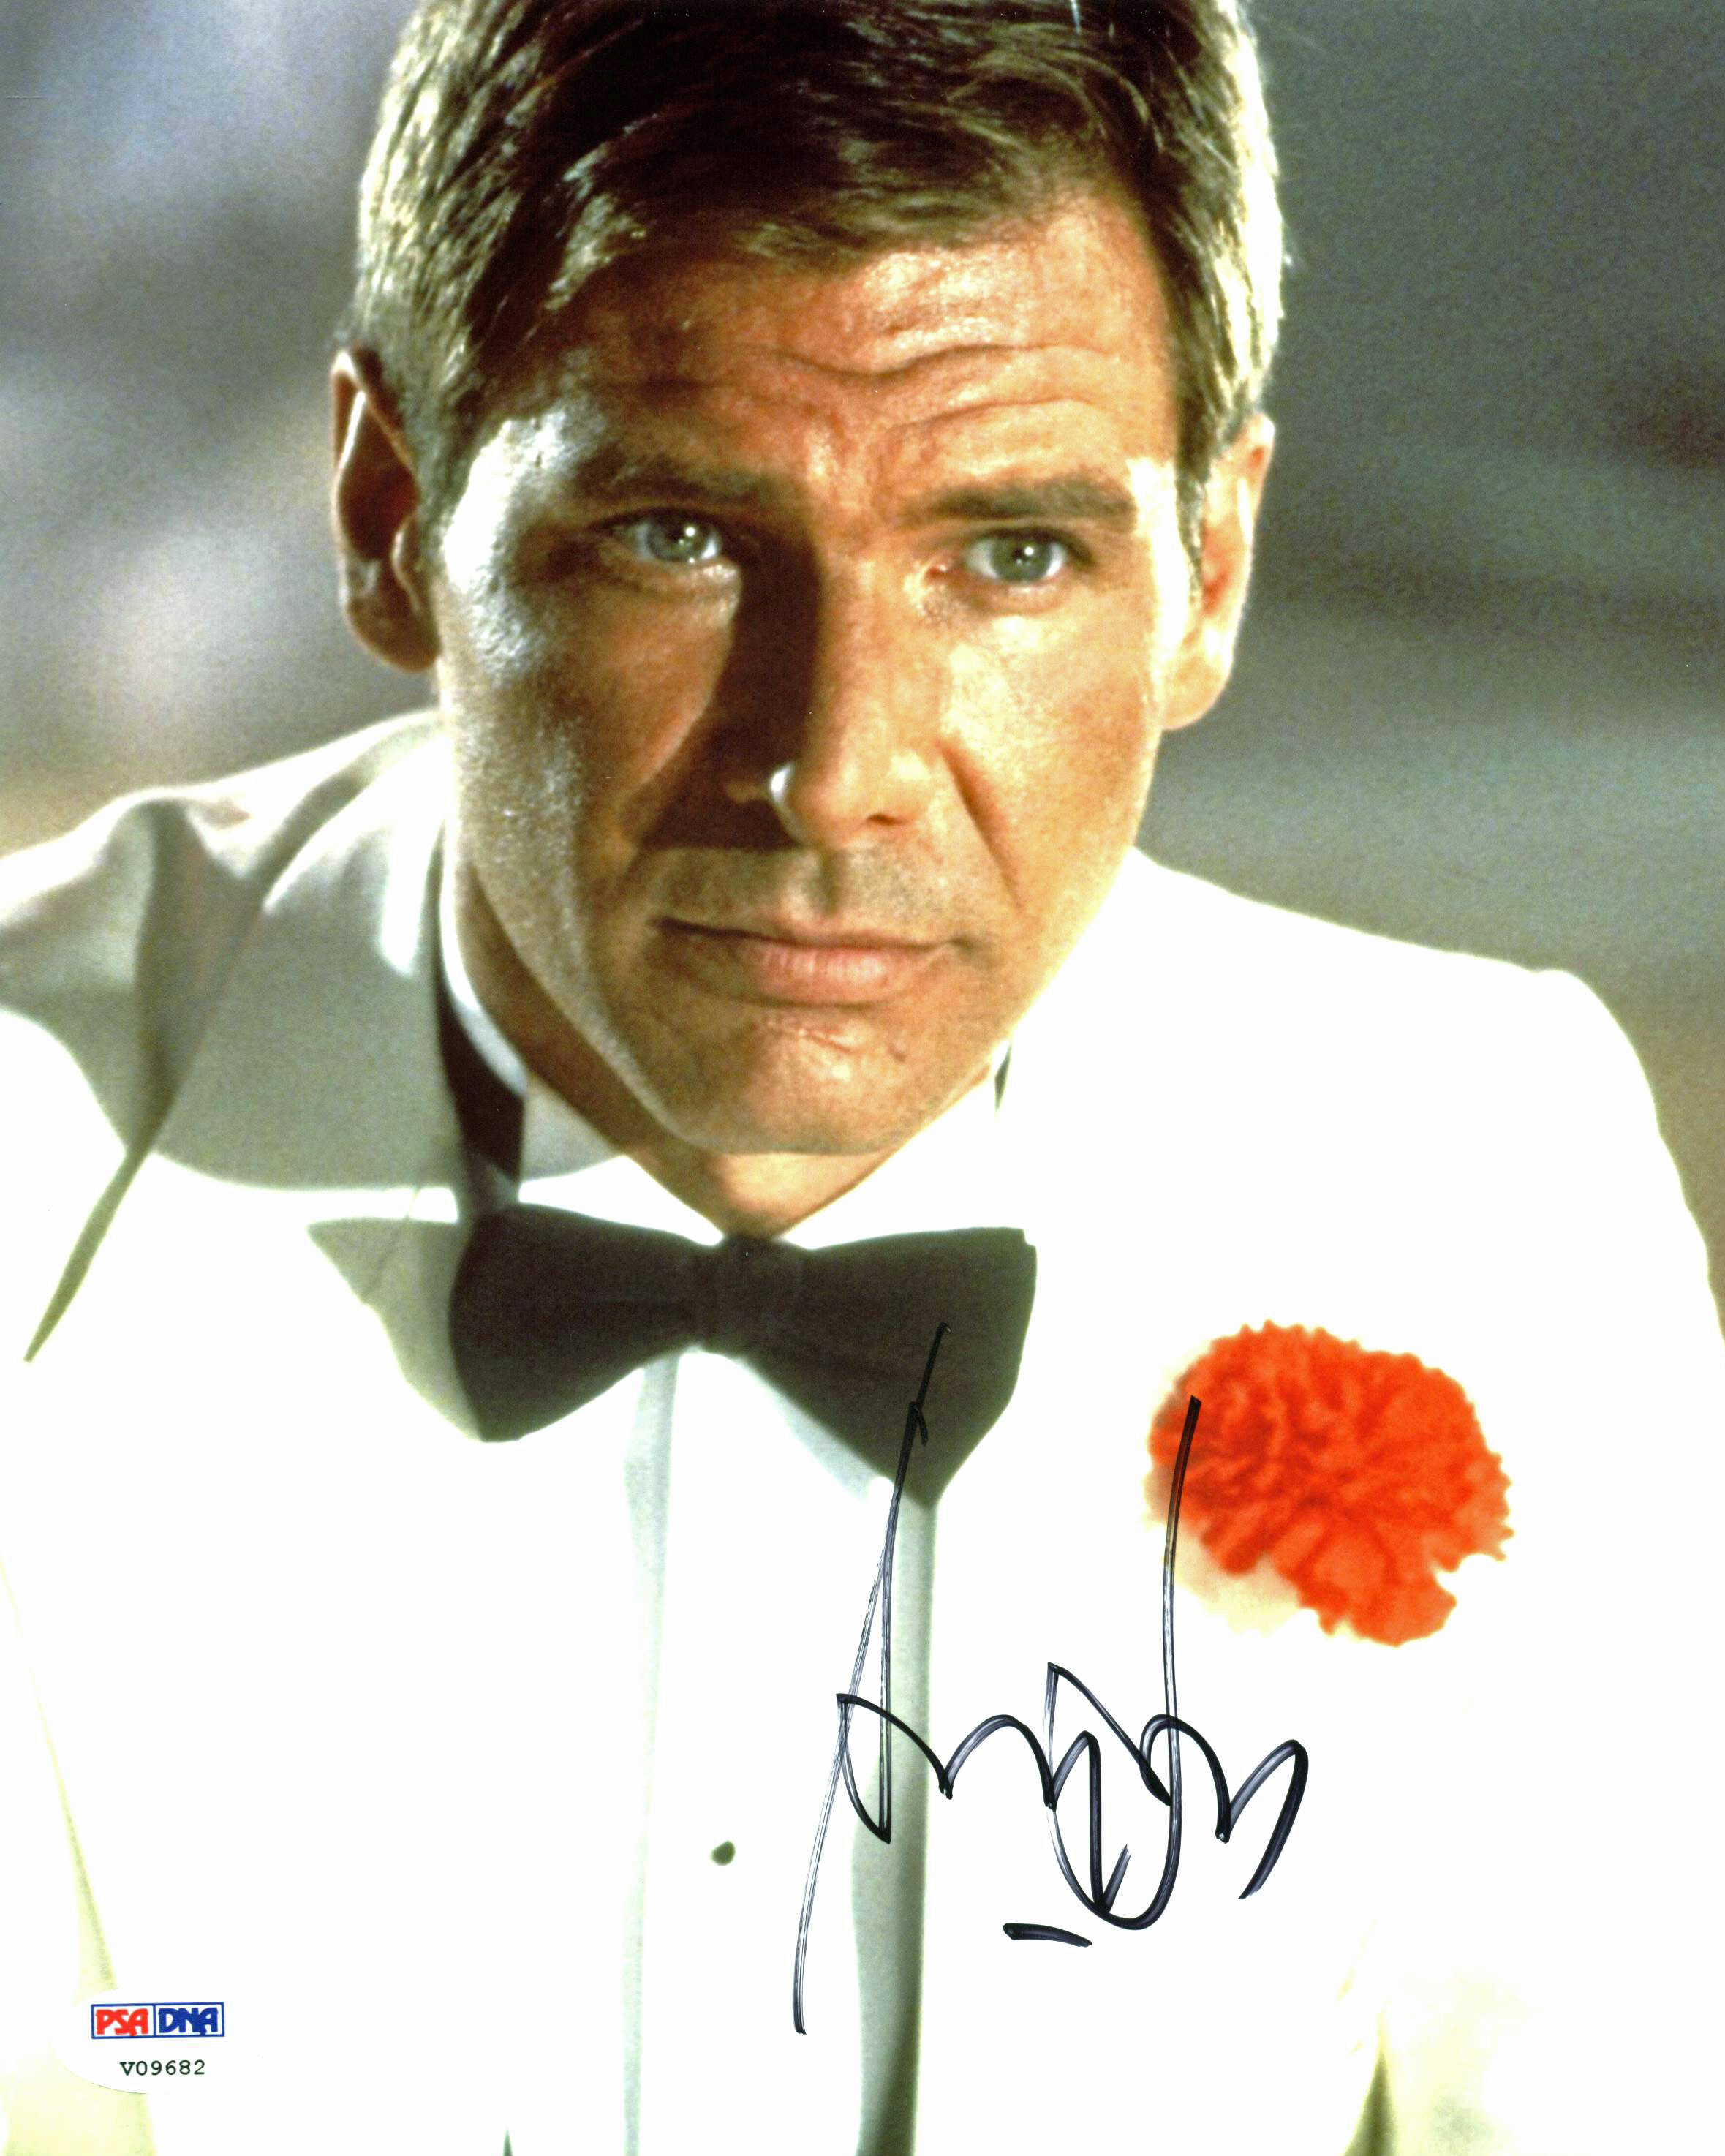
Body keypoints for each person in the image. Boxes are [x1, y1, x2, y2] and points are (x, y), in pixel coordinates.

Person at [1, 3, 1720, 2152]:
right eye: (680, 538)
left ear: (1210, 576)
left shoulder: (1493, 1176)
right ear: (390, 515)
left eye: (1015, 555)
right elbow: (80, 2065)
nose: (835, 770)